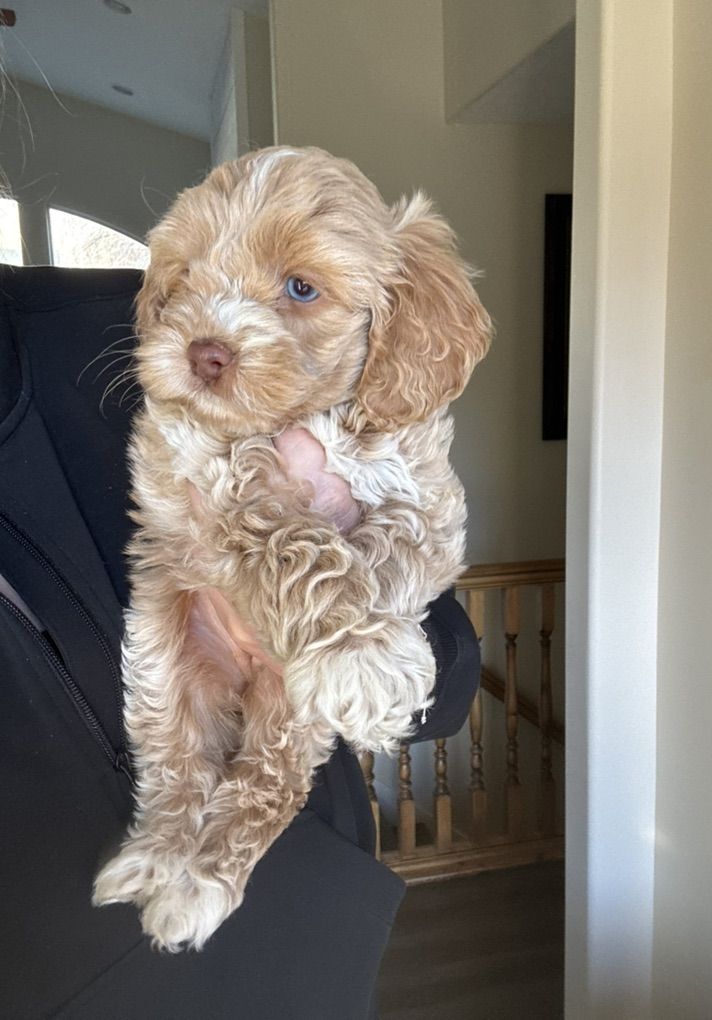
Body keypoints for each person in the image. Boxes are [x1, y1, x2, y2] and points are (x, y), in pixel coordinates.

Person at [0, 264, 481, 1020]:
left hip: (295, 951)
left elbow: (448, 673)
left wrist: (350, 606)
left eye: (296, 286)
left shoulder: (121, 327)